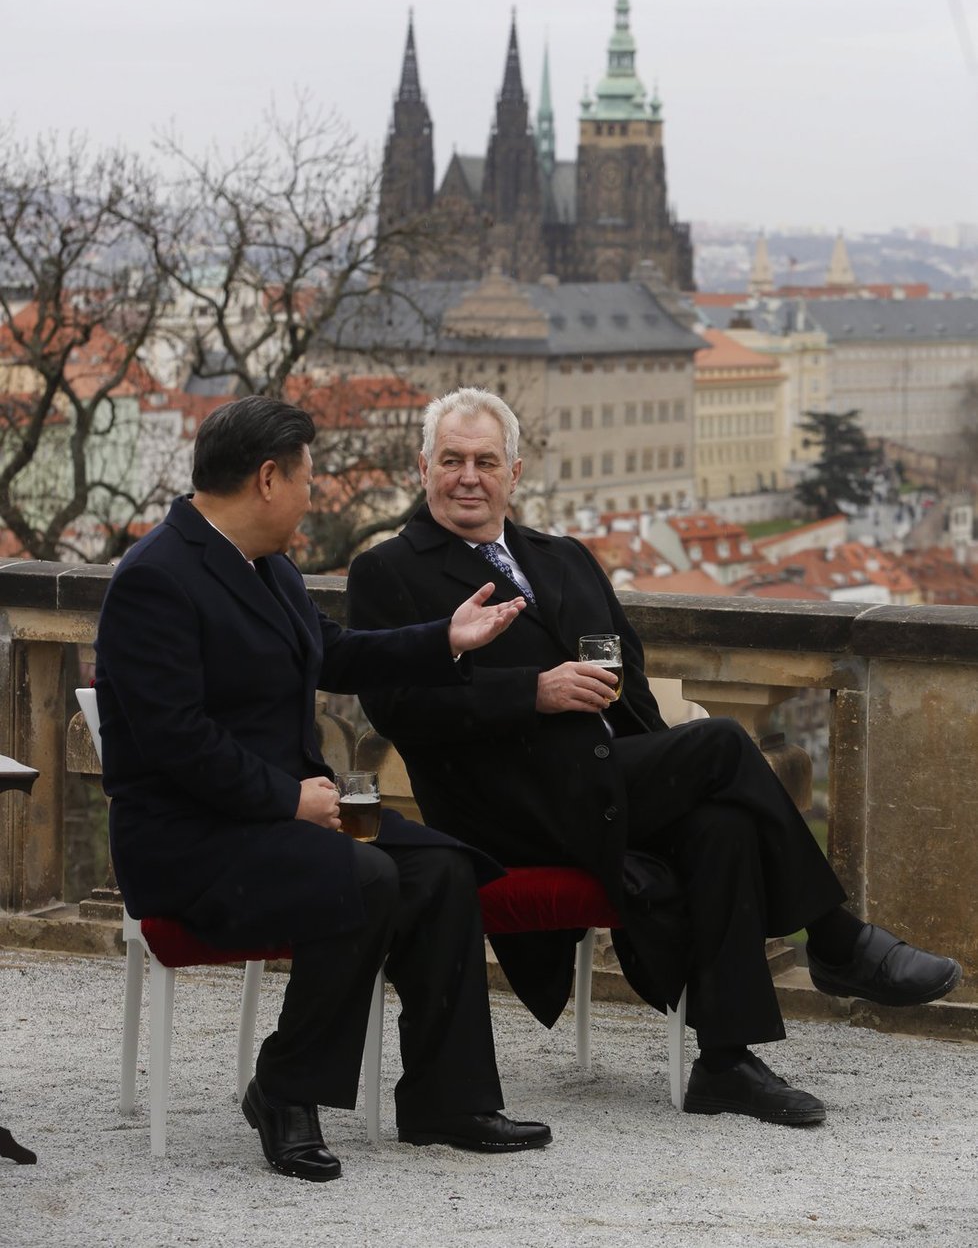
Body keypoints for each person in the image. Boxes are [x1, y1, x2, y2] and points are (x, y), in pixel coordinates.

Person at [347, 387, 962, 1128]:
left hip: (599, 781)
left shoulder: (564, 558)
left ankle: (726, 1062)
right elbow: (398, 709)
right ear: (423, 468)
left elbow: (629, 685)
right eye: (451, 460)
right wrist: (531, 691)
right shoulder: (389, 572)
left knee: (721, 824)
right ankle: (835, 940)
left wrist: (655, 774)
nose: (468, 476)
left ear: (515, 471)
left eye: (484, 460)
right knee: (727, 744)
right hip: (500, 805)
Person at [95, 395, 551, 1183]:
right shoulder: (155, 579)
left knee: (441, 870)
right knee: (365, 875)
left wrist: (446, 636)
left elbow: (330, 653)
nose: (314, 495)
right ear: (268, 479)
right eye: (308, 479)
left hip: (279, 824)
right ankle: (286, 1090)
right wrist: (288, 799)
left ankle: (449, 1099)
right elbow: (175, 740)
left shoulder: (263, 564)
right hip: (189, 841)